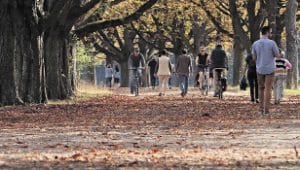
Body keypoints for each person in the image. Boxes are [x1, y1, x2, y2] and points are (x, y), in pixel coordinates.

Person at [252, 26, 280, 115]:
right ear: (267, 33)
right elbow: (277, 55)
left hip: (259, 68)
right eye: (270, 32)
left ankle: (260, 109)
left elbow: (254, 57)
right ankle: (266, 110)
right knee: (268, 89)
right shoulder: (272, 43)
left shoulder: (255, 43)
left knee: (261, 88)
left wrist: (260, 60)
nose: (271, 34)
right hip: (270, 69)